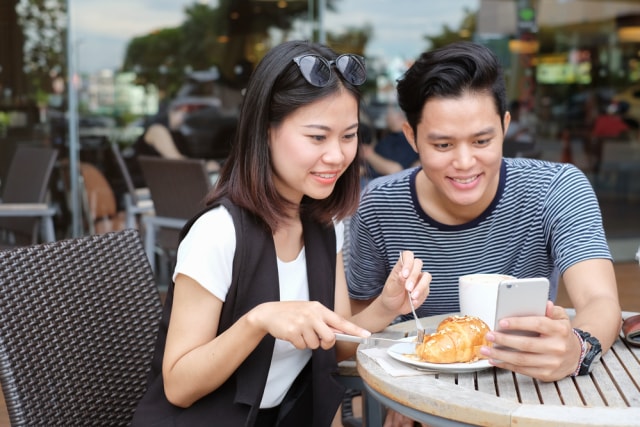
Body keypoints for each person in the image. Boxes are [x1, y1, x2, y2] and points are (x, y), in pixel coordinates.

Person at [131, 40, 431, 427]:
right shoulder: (218, 233)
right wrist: (258, 321)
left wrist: (386, 307)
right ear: (266, 132)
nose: (338, 156)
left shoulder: (324, 223)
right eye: (317, 137)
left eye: (348, 135)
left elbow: (335, 344)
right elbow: (178, 384)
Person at [347, 41, 621, 427]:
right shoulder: (378, 205)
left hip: (528, 395)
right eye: (442, 144)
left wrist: (579, 346)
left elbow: (600, 300)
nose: (464, 163)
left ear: (505, 126)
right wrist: (402, 388)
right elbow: (359, 326)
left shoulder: (557, 189)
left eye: (482, 141)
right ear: (411, 138)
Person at [133, 105, 221, 174]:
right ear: (169, 112)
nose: (185, 117)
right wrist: (205, 167)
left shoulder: (177, 134)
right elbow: (177, 161)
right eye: (182, 112)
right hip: (147, 187)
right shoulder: (157, 130)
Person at [361, 106, 419, 182]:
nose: (386, 117)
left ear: (399, 117)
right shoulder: (390, 137)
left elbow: (395, 170)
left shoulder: (406, 140)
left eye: (389, 114)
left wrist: (367, 153)